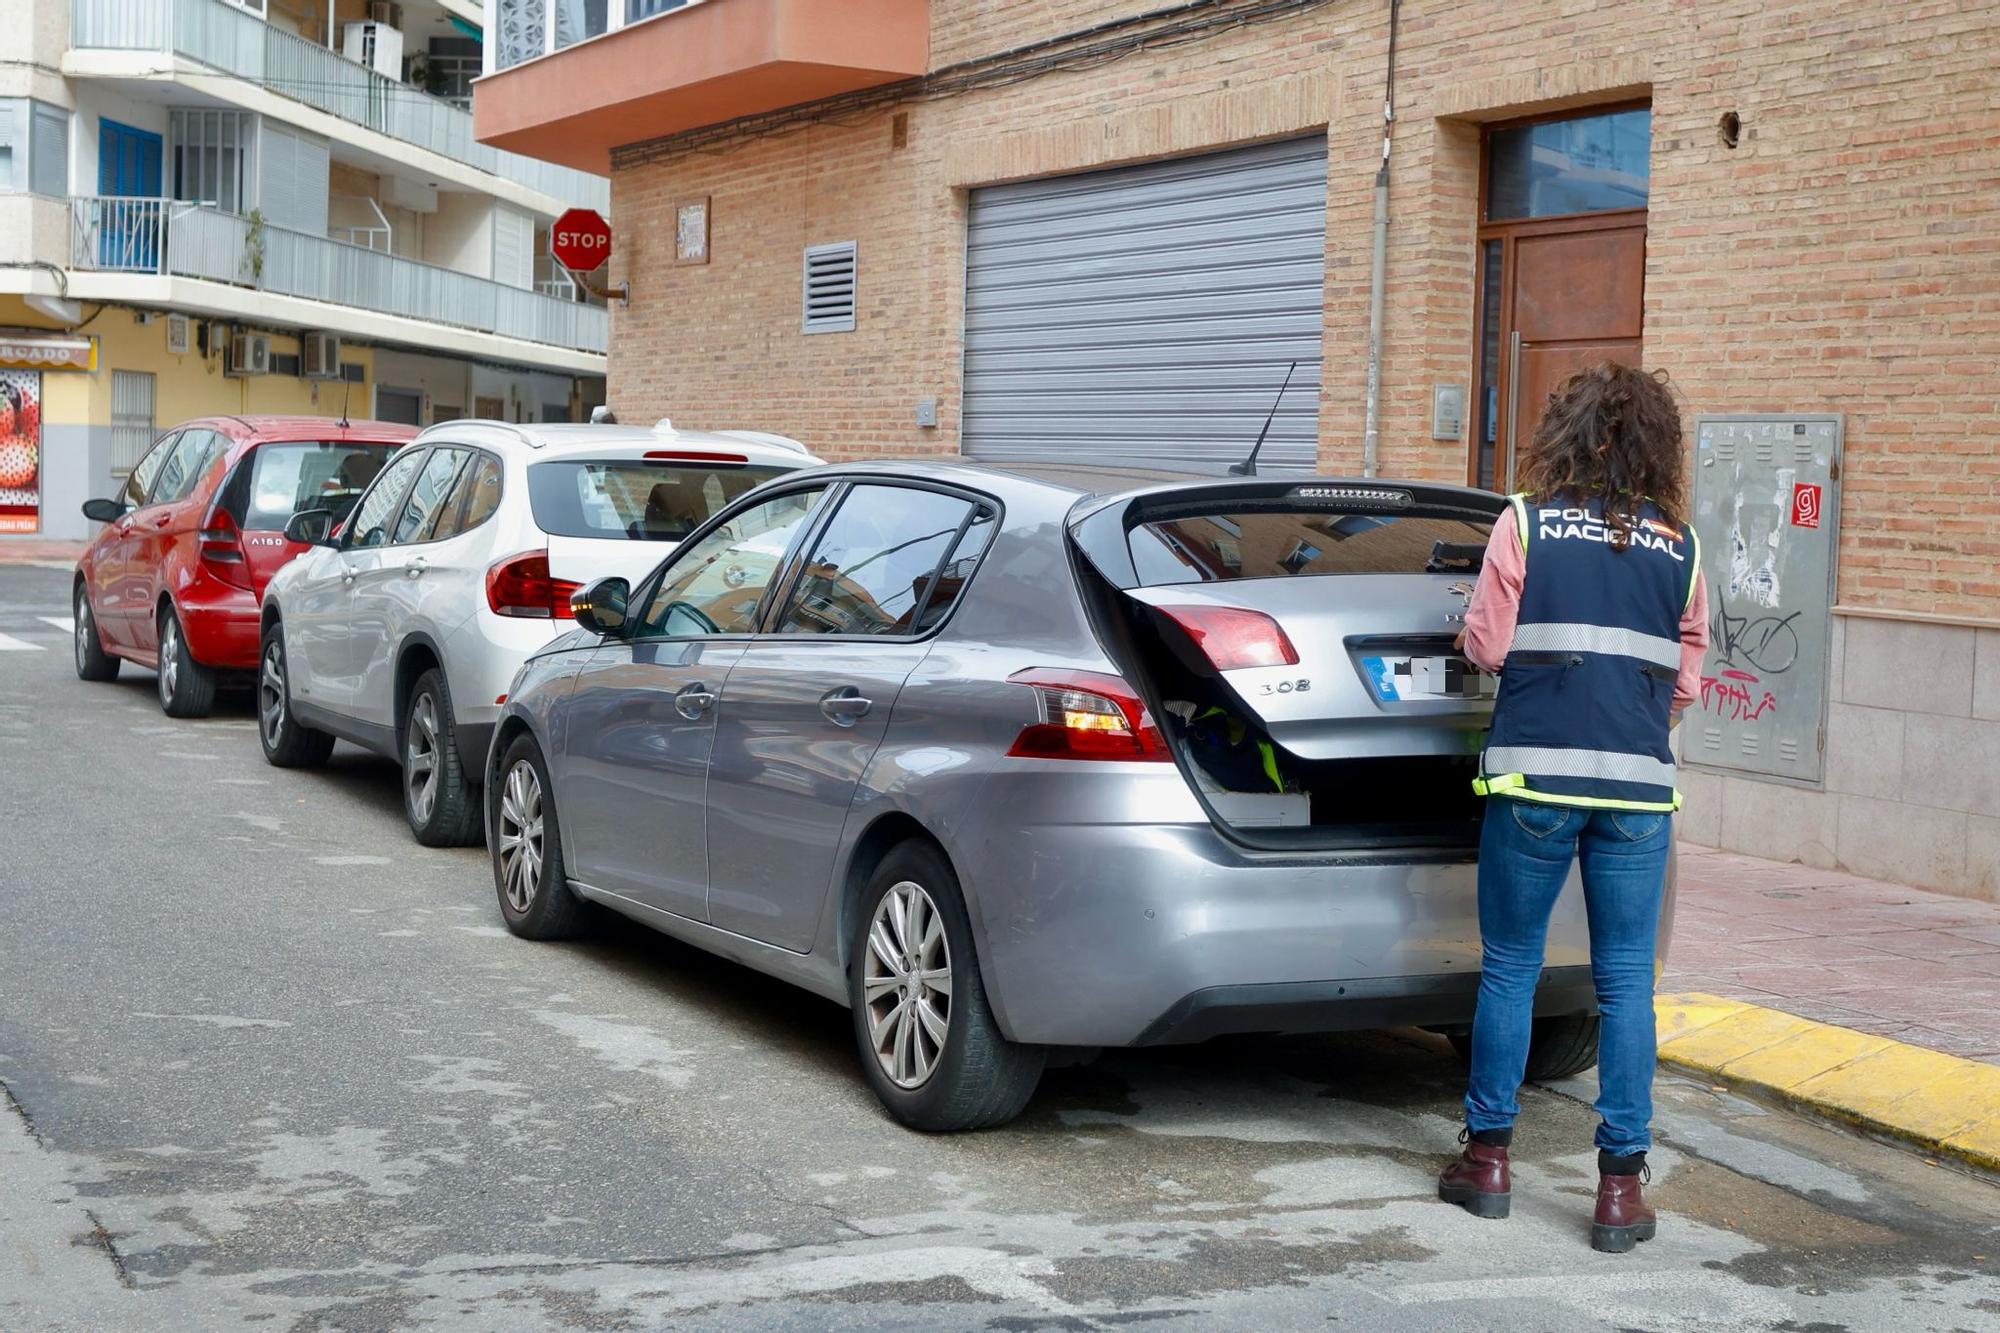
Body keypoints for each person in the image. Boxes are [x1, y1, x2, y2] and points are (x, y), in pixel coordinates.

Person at [1436, 362, 1710, 1254]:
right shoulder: (1685, 547)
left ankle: (1488, 1163)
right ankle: (1621, 1190)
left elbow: (1485, 643)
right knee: (1627, 981)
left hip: (1532, 784)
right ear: (1657, 447)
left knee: (1511, 963)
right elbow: (1686, 678)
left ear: (1566, 435)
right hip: (1637, 790)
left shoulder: (1526, 522)